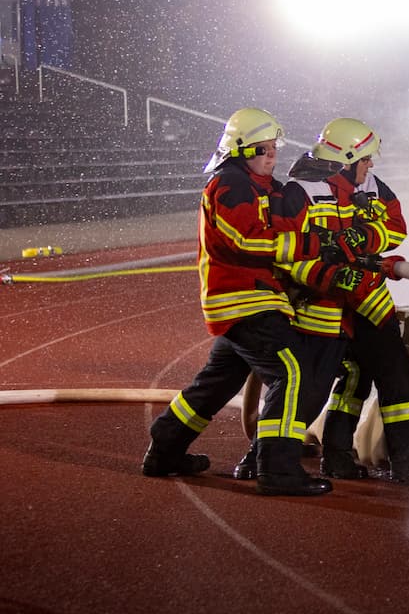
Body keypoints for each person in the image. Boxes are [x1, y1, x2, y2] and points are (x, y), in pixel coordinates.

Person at [142, 107, 376, 496]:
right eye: (263, 150)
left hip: (247, 300)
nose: (272, 156)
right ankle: (278, 470)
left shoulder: (260, 187)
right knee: (293, 372)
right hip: (245, 299)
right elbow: (248, 239)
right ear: (240, 150)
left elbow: (280, 224)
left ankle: (165, 449)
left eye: (273, 149)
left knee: (216, 382)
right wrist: (316, 243)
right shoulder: (231, 185)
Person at [233, 117, 409, 485]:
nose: (371, 166)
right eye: (366, 159)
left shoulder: (372, 186)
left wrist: (364, 238)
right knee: (309, 389)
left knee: (394, 376)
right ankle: (262, 455)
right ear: (347, 158)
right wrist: (331, 276)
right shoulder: (298, 192)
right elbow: (286, 256)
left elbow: (397, 225)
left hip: (368, 299)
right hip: (320, 307)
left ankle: (400, 460)